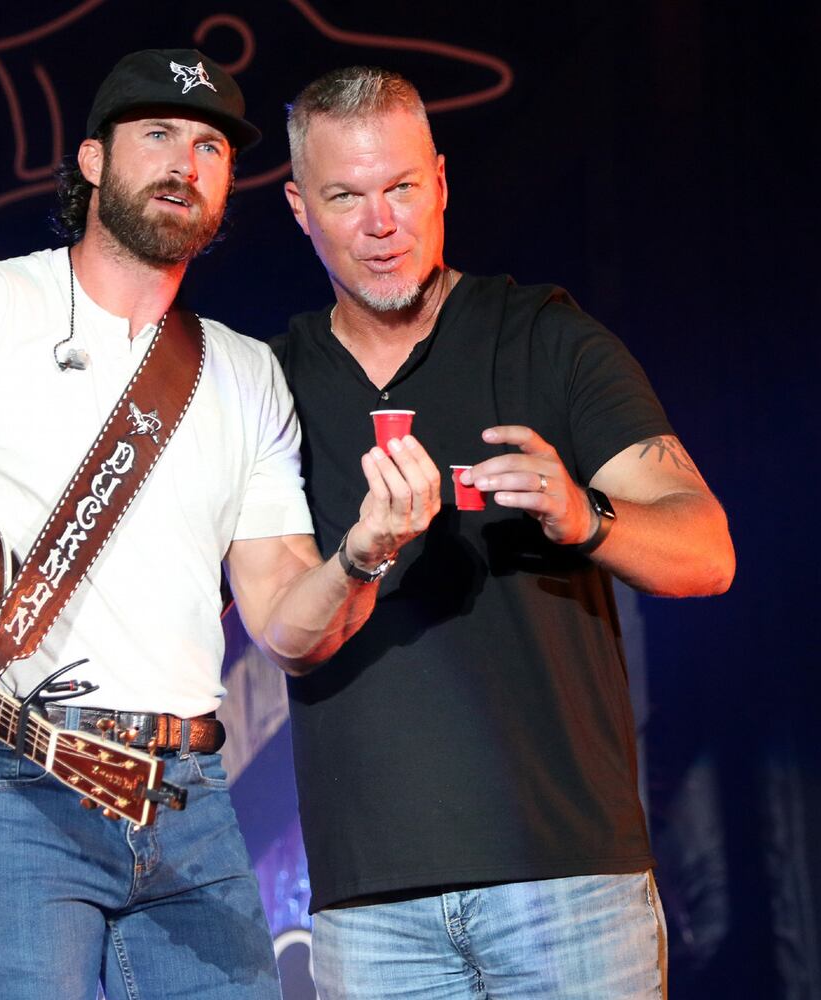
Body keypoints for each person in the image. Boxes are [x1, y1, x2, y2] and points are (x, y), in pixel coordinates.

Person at [0, 51, 441, 999]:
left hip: (187, 799)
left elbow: (283, 624)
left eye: (210, 145)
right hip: (8, 788)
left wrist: (360, 558)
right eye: (158, 133)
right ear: (93, 160)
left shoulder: (247, 374)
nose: (184, 161)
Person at [272, 66, 736, 999]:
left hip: (571, 888)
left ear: (441, 182)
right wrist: (360, 556)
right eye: (346, 196)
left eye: (403, 187)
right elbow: (275, 625)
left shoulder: (544, 339)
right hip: (372, 912)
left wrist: (584, 515)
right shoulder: (270, 384)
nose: (382, 222)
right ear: (300, 209)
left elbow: (707, 552)